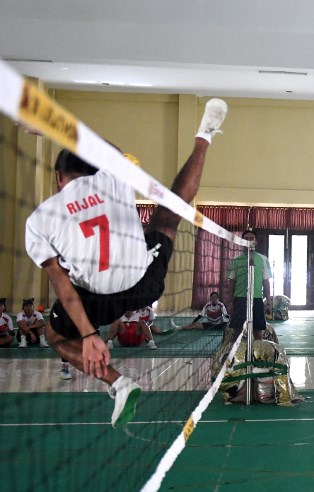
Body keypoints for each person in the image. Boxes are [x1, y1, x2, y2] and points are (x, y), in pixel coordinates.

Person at [24, 98, 228, 428]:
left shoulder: (40, 218)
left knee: (56, 337)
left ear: (58, 176)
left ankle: (118, 382)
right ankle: (205, 136)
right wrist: (58, 128)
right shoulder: (112, 175)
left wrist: (90, 336)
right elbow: (106, 148)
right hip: (143, 282)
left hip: (97, 299)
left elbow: (61, 284)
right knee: (168, 214)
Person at [226, 228, 272, 340]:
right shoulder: (234, 260)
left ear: (256, 242)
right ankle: (236, 355)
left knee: (258, 332)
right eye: (246, 239)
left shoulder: (263, 259)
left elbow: (266, 281)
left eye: (252, 238)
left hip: (256, 299)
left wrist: (269, 302)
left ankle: (257, 356)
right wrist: (229, 303)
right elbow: (231, 283)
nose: (249, 241)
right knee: (237, 331)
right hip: (240, 299)